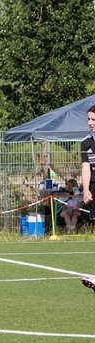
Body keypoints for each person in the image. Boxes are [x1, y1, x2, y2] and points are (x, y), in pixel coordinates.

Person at [80, 106, 95, 291]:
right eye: (89, 120)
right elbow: (86, 167)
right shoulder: (86, 143)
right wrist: (85, 189)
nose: (90, 123)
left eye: (94, 120)